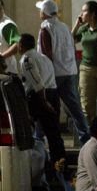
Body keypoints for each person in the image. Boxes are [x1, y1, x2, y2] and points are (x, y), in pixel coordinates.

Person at [36, 0, 90, 144]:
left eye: (40, 10)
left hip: (54, 74)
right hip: (69, 72)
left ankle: (39, 138)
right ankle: (85, 137)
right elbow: (71, 47)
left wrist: (44, 76)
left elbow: (46, 55)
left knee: (45, 105)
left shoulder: (45, 28)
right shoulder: (64, 27)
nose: (39, 12)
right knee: (75, 107)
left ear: (45, 13)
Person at [17, 33, 66, 166]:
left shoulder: (26, 59)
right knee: (54, 133)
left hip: (39, 97)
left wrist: (44, 102)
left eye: (18, 43)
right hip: (53, 94)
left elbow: (37, 83)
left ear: (21, 45)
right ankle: (60, 163)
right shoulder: (44, 58)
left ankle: (30, 161)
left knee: (25, 129)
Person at [0, 0, 20, 74]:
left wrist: (1, 58)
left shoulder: (8, 25)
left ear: (1, 7)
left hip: (7, 72)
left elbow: (16, 46)